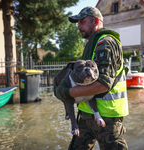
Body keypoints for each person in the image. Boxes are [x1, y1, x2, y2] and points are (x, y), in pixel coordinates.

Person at [55, 6, 129, 150]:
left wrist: (67, 93)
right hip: (86, 115)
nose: (78, 27)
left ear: (95, 21)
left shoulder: (106, 43)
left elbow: (103, 85)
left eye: (82, 22)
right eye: (78, 23)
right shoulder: (92, 44)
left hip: (107, 118)